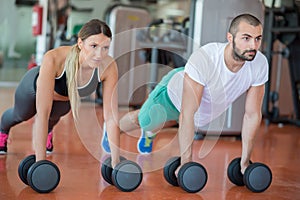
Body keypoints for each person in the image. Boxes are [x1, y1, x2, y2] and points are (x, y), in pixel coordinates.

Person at [103, 13, 268, 174]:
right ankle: (113, 130)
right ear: (230, 37)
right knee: (145, 120)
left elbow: (252, 115)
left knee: (171, 121)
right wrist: (186, 164)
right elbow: (187, 114)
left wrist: (245, 163)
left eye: (257, 39)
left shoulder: (259, 64)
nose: (253, 46)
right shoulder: (207, 58)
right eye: (246, 38)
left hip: (200, 111)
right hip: (173, 94)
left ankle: (152, 130)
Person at [0, 19, 121, 168]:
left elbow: (111, 118)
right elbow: (42, 114)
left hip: (64, 99)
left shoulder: (108, 67)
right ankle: (2, 130)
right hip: (32, 89)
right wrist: (40, 164)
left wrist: (116, 163)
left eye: (105, 48)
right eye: (94, 46)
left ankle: (48, 133)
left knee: (56, 115)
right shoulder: (55, 58)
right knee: (21, 115)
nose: (99, 54)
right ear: (80, 43)